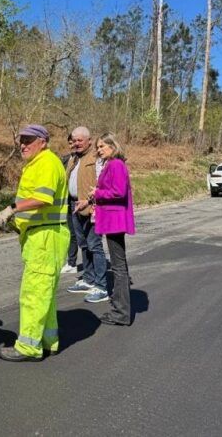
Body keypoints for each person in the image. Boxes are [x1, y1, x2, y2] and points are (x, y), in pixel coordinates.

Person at [0, 124, 69, 361]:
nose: (23, 145)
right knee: (44, 293)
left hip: (46, 237)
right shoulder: (37, 164)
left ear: (43, 142)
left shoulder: (46, 162)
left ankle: (28, 347)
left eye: (29, 140)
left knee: (34, 293)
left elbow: (43, 198)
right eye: (21, 141)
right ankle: (47, 341)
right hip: (42, 236)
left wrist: (12, 209)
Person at [90, 133, 135, 326]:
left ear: (112, 146)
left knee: (118, 266)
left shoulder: (116, 164)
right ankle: (120, 308)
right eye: (98, 147)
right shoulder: (113, 164)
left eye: (102, 146)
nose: (99, 150)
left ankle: (121, 312)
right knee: (119, 265)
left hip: (114, 220)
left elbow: (118, 191)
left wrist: (97, 192)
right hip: (113, 220)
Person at [65, 127, 108, 304]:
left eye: (80, 141)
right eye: (74, 140)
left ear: (89, 141)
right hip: (75, 206)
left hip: (92, 207)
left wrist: (91, 202)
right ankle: (89, 279)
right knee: (83, 244)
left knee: (94, 245)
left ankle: (101, 285)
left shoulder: (97, 158)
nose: (76, 143)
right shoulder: (73, 158)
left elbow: (102, 184)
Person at [59, 133, 78, 274]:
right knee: (70, 232)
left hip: (80, 199)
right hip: (67, 199)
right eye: (70, 143)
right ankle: (71, 261)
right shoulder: (65, 160)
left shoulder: (83, 159)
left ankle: (76, 263)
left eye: (75, 143)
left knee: (80, 233)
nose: (72, 145)